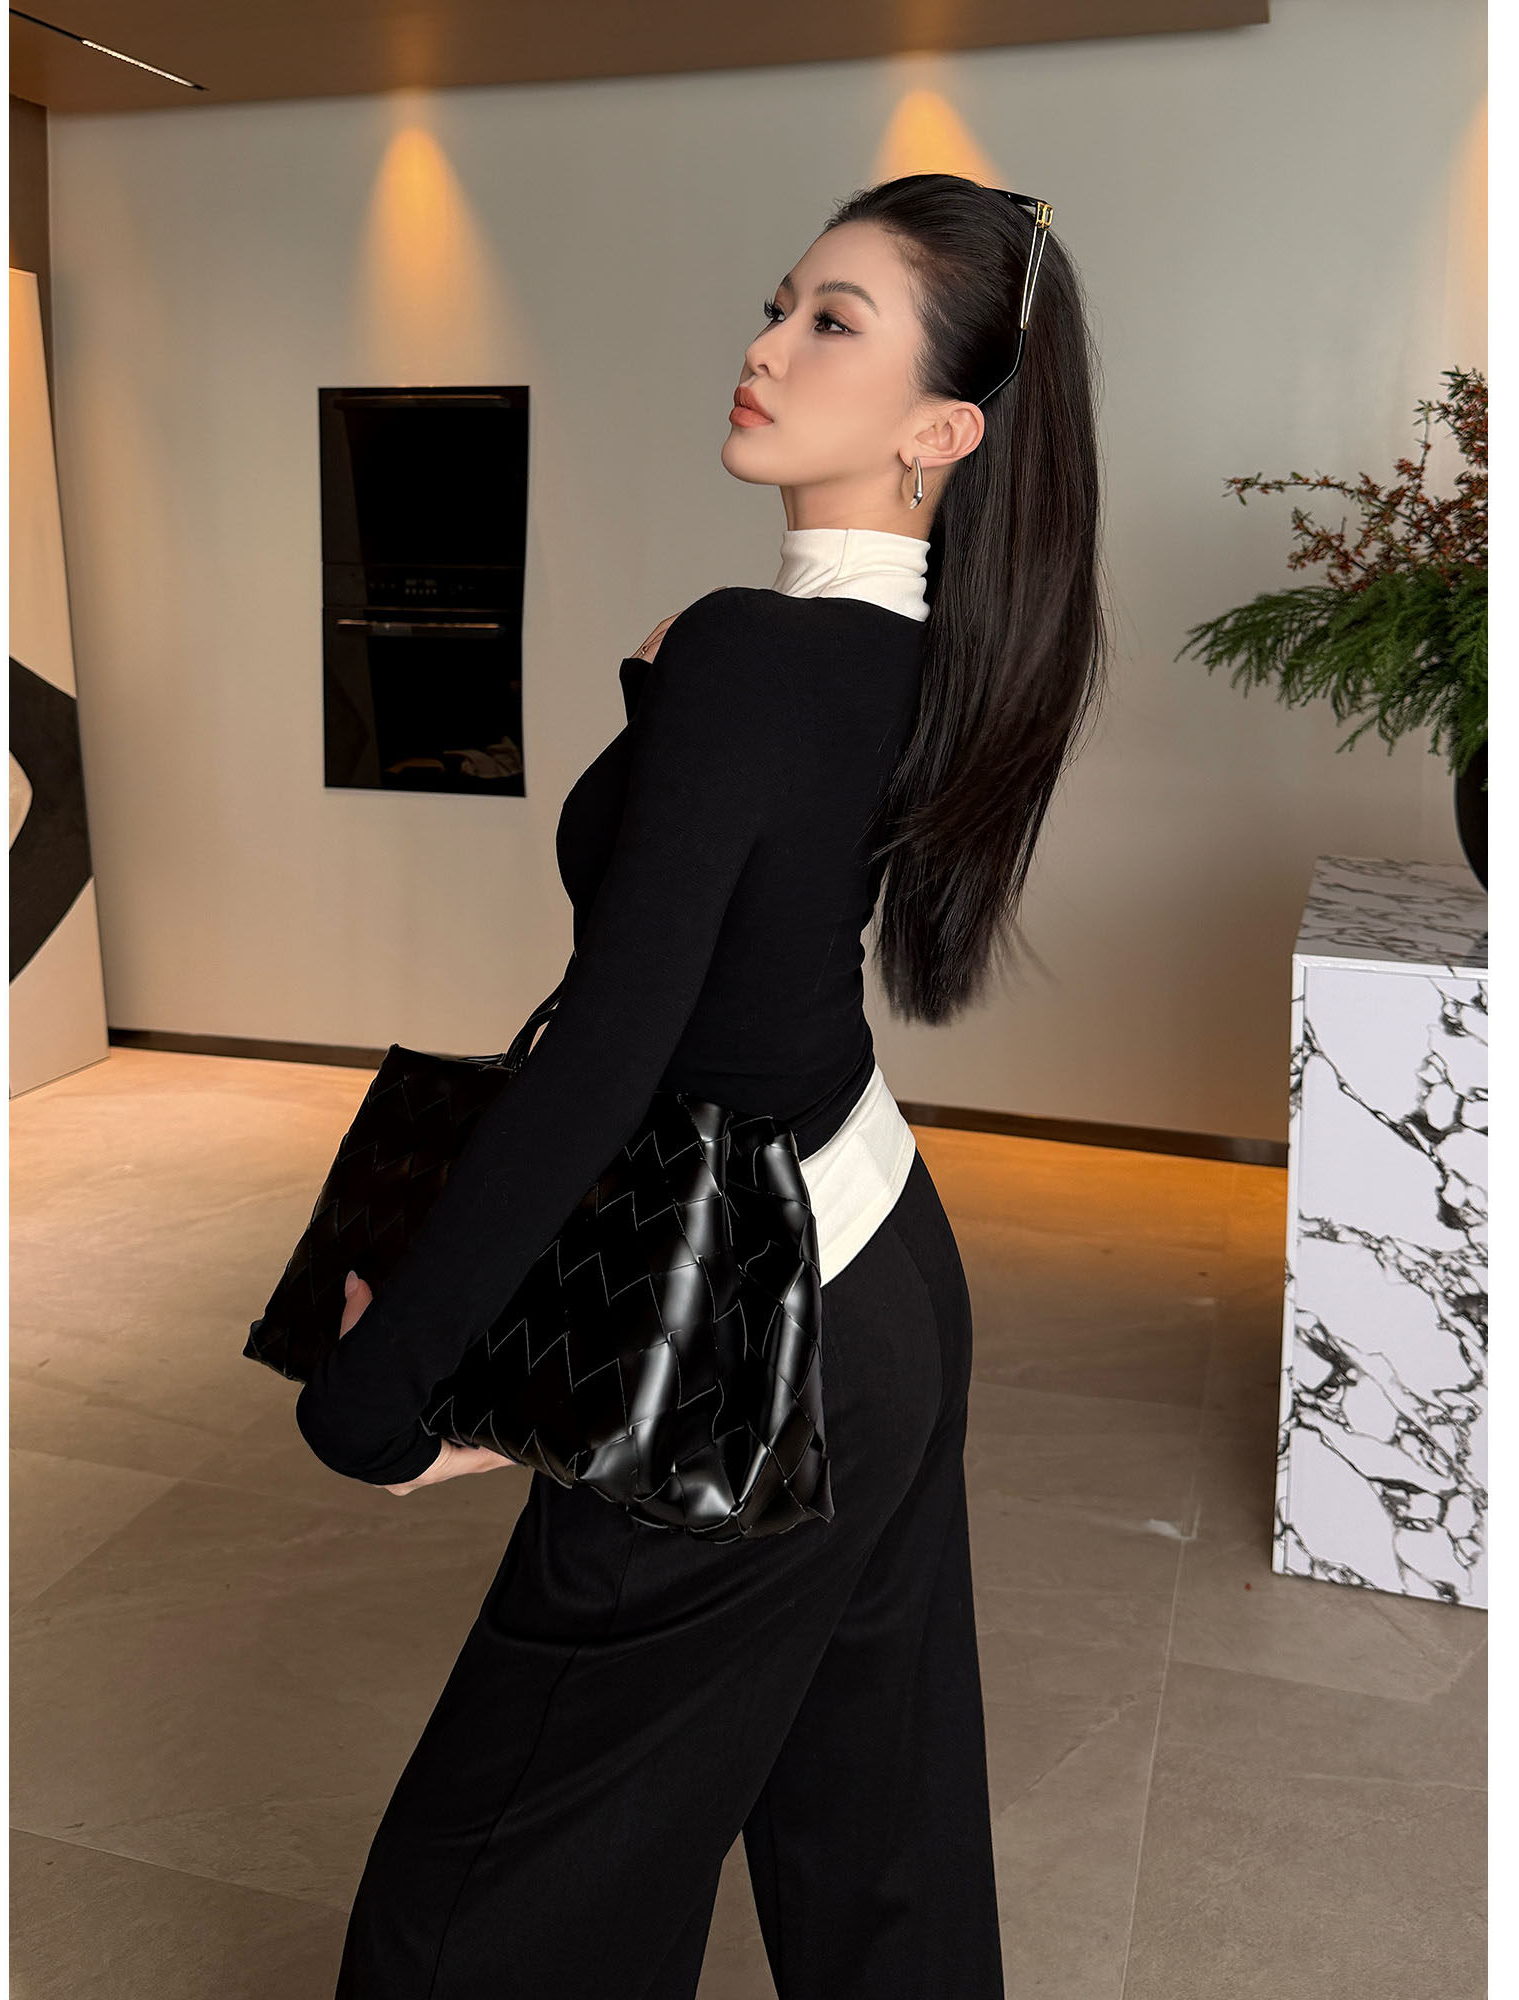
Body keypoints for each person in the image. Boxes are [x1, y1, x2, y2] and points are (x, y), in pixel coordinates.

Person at [294, 171, 1107, 1998]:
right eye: (778, 302)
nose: (766, 345)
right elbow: (728, 955)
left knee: (483, 1915)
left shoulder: (756, 650)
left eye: (834, 322)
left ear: (941, 430)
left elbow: (615, 1050)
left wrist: (392, 1386)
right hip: (878, 1282)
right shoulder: (917, 657)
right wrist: (669, 709)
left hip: (761, 1321)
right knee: (871, 1848)